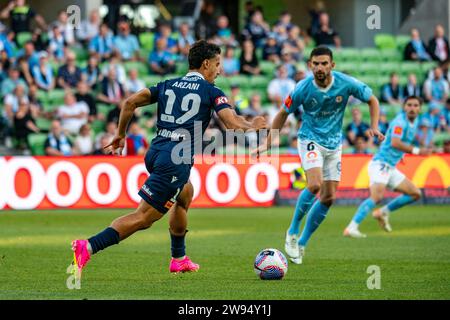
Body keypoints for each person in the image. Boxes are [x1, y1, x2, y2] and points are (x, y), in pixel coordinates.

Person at [70, 40, 267, 280]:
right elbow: (233, 123)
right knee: (144, 217)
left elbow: (129, 102)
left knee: (185, 194)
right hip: (175, 159)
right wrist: (253, 124)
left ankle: (179, 259)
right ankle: (88, 247)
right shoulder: (211, 91)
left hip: (157, 151)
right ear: (206, 64)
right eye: (217, 64)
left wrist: (120, 134)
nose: (220, 69)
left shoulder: (168, 84)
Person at [253, 46, 384, 264]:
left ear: (332, 65)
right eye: (316, 63)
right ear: (309, 65)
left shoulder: (346, 83)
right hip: (310, 140)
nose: (320, 67)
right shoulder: (302, 88)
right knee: (314, 185)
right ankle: (293, 231)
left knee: (329, 197)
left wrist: (374, 125)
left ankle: (302, 242)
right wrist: (268, 142)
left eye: (324, 63)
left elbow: (373, 100)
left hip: (334, 145)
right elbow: (282, 113)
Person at [344, 96, 431, 238]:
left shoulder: (414, 122)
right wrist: (417, 151)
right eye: (409, 105)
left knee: (415, 193)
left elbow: (395, 143)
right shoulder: (400, 122)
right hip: (381, 164)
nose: (412, 108)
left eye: (416, 105)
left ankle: (383, 211)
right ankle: (351, 227)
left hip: (390, 167)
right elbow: (396, 143)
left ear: (420, 108)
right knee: (376, 197)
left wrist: (401, 156)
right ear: (404, 107)